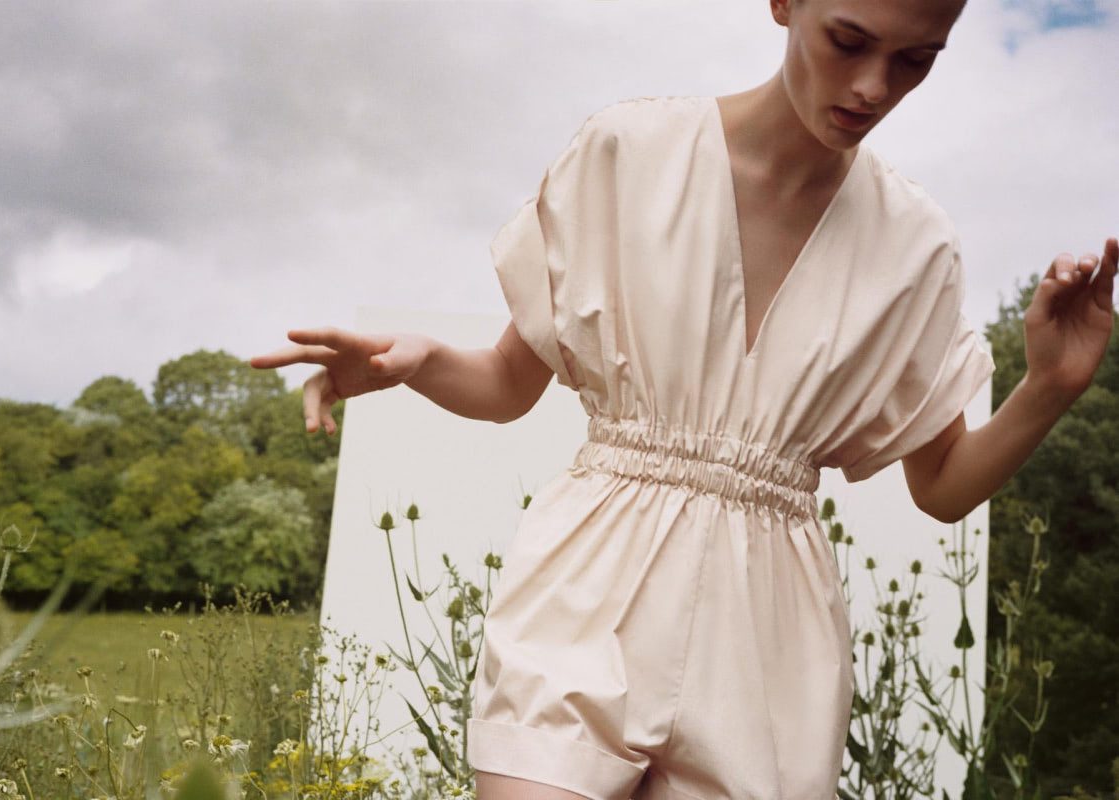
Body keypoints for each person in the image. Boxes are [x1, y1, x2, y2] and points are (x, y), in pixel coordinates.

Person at [249, 0, 1117, 796]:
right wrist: (417, 361)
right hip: (587, 592)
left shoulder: (916, 247)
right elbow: (510, 382)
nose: (872, 87)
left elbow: (943, 486)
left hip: (770, 643)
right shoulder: (629, 153)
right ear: (785, 4)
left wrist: (1048, 387)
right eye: (848, 41)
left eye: (914, 60)